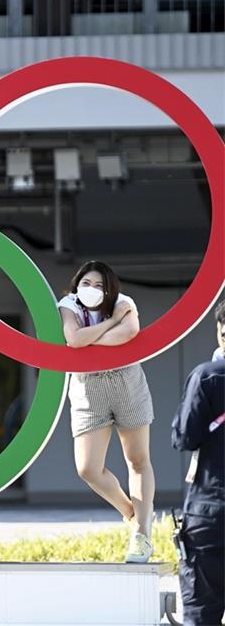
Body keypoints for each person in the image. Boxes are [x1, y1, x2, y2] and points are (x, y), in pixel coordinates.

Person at [57, 260, 156, 563]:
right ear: (76, 285)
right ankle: (133, 513)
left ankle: (141, 532)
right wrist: (111, 323)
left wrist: (93, 339)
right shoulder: (68, 304)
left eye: (99, 285)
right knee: (88, 468)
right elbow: (73, 339)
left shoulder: (124, 302)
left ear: (110, 288)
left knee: (138, 460)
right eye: (86, 283)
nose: (92, 289)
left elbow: (129, 334)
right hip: (88, 387)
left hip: (126, 380)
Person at [171, 299, 224, 626]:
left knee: (201, 616)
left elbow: (184, 438)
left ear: (221, 330)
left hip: (211, 511)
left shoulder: (207, 377)